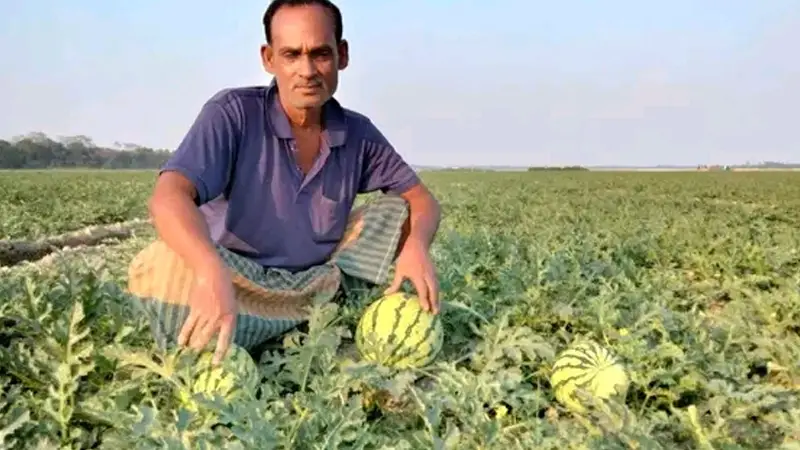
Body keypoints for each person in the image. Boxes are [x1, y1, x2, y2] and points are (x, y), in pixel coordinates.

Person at [126, 0, 442, 364]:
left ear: (342, 55)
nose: (307, 70)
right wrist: (208, 271)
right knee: (160, 266)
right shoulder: (233, 113)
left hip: (317, 286)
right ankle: (263, 325)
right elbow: (169, 198)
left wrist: (416, 247)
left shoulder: (358, 134)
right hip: (237, 282)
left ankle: (307, 319)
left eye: (320, 54)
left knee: (397, 210)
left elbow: (423, 201)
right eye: (291, 55)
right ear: (268, 58)